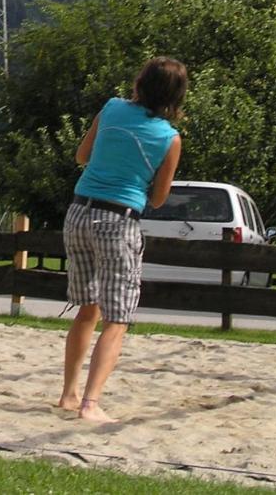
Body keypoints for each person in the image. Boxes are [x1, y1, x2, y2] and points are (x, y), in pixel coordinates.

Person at [57, 56, 187, 422]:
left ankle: (68, 394)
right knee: (119, 318)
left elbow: (82, 155)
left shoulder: (111, 108)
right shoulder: (168, 137)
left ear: (141, 82)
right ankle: (91, 403)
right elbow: (159, 198)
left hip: (79, 212)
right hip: (118, 220)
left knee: (87, 309)